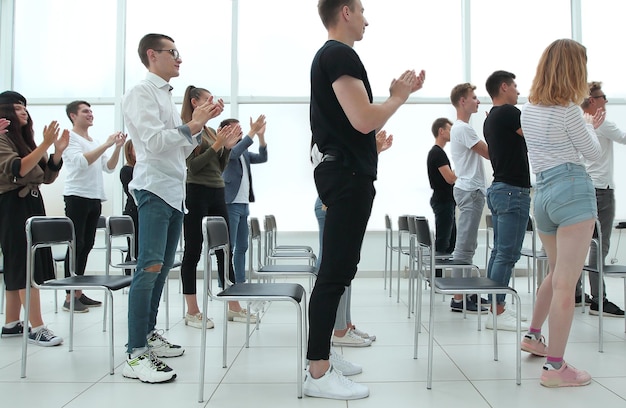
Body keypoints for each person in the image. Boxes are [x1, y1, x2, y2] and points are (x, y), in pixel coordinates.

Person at [304, 0, 425, 400]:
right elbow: (363, 117)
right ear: (345, 13)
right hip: (346, 177)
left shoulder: (331, 56)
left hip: (344, 170)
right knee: (335, 271)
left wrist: (368, 146)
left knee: (341, 267)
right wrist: (398, 96)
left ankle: (323, 354)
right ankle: (318, 371)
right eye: (362, 11)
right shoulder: (339, 54)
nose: (367, 20)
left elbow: (348, 126)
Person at [121, 33, 223, 383]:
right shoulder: (140, 93)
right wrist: (194, 123)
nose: (179, 58)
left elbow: (177, 150)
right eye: (172, 52)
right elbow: (151, 141)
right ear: (152, 55)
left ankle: (148, 336)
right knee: (148, 269)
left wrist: (200, 124)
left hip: (173, 192)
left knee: (162, 269)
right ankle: (135, 354)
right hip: (152, 189)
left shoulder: (165, 95)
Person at [520, 38, 603, 387]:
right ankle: (555, 369)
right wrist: (589, 126)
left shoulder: (528, 108)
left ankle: (533, 336)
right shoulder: (569, 111)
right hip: (572, 190)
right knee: (567, 283)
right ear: (574, 70)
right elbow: (593, 154)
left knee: (556, 275)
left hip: (542, 195)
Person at [0, 90, 67, 346]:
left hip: (30, 204)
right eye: (17, 108)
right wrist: (44, 145)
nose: (24, 111)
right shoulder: (3, 139)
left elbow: (45, 177)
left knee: (22, 262)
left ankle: (11, 323)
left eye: (24, 107)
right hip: (12, 205)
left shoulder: (23, 142)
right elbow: (19, 169)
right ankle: (37, 326)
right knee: (23, 265)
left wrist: (56, 152)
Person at [179, 85, 245, 329]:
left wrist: (226, 147)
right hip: (196, 191)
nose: (213, 102)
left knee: (224, 248)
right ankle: (192, 310)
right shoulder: (190, 128)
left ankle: (233, 305)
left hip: (216, 190)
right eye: (207, 99)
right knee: (193, 249)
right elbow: (193, 166)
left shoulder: (207, 130)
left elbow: (218, 167)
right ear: (195, 102)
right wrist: (218, 145)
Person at [62, 100, 126, 312]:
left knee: (87, 244)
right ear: (73, 115)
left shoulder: (94, 140)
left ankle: (78, 291)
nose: (90, 114)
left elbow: (108, 167)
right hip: (76, 196)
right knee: (76, 245)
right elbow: (82, 162)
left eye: (91, 111)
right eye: (85, 111)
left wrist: (116, 148)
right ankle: (70, 296)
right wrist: (107, 144)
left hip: (94, 198)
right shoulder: (70, 137)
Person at [483, 70, 531, 331]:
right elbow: (535, 136)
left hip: (501, 189)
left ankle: (494, 306)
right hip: (513, 190)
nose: (518, 91)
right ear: (504, 87)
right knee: (507, 253)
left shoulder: (490, 119)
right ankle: (498, 311)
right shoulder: (510, 113)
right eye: (515, 86)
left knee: (499, 251)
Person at [576, 81, 625, 317]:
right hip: (602, 190)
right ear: (593, 101)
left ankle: (577, 294)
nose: (606, 100)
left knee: (580, 244)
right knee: (600, 245)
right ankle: (599, 300)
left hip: (583, 188)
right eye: (603, 96)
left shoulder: (577, 121)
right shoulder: (602, 123)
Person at [448, 83, 490, 313]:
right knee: (464, 247)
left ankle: (465, 294)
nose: (477, 101)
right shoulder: (463, 128)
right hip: (470, 191)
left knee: (467, 245)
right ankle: (459, 298)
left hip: (469, 190)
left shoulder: (460, 128)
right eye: (474, 97)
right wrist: (493, 128)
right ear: (462, 101)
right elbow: (489, 153)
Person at [222, 115, 268, 291]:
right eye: (236, 128)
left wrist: (261, 136)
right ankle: (225, 281)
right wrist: (253, 131)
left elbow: (263, 157)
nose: (240, 131)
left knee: (242, 245)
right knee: (229, 246)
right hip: (230, 203)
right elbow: (233, 153)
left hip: (243, 204)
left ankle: (239, 282)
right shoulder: (225, 150)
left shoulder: (244, 152)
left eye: (240, 128)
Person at [427, 118, 456, 258]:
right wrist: (461, 168)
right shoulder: (437, 153)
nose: (452, 133)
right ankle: (437, 277)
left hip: (444, 200)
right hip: (443, 201)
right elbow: (450, 178)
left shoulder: (438, 153)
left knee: (449, 241)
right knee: (443, 242)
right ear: (441, 131)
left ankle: (438, 276)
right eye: (449, 130)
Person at [120, 139, 138, 275]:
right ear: (129, 152)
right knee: (134, 246)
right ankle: (129, 275)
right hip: (133, 212)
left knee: (141, 246)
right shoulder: (127, 170)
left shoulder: (143, 169)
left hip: (142, 211)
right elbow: (132, 192)